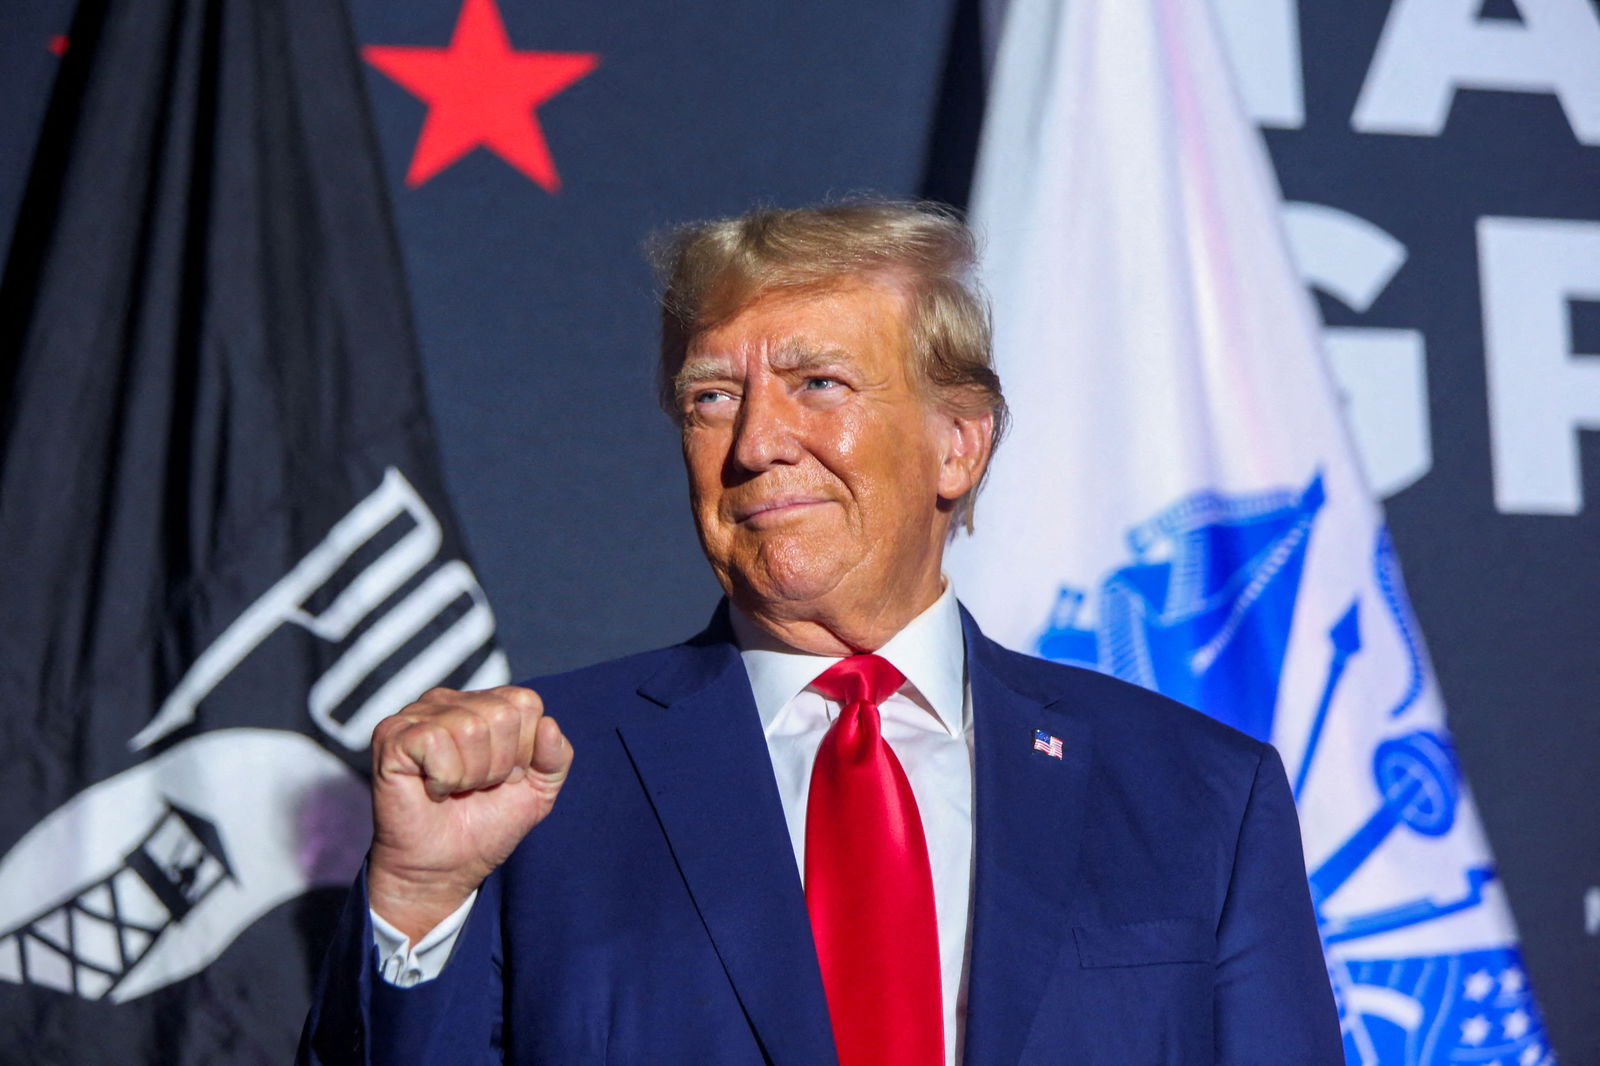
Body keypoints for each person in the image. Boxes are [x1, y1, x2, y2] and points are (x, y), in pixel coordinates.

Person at [300, 201, 1342, 1066]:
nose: (754, 443)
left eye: (818, 385)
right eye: (712, 397)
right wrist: (420, 904)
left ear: (957, 444)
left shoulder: (1199, 794)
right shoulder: (533, 783)